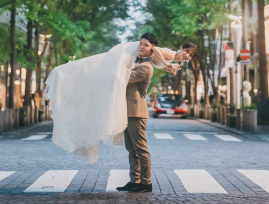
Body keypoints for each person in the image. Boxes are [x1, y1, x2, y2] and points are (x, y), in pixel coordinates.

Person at [46, 35, 195, 168]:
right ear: (181, 48)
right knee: (103, 70)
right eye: (186, 52)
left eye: (189, 55)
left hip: (135, 98)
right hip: (124, 54)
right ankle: (137, 181)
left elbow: (154, 60)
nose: (186, 56)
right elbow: (155, 52)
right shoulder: (170, 54)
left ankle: (142, 181)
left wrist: (167, 68)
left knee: (100, 68)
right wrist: (168, 65)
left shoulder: (158, 62)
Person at [117, 33, 157, 193]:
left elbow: (123, 77)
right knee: (131, 148)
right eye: (141, 43)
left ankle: (146, 182)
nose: (141, 46)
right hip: (127, 111)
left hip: (137, 112)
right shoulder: (136, 63)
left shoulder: (146, 68)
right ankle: (135, 180)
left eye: (146, 45)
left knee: (140, 148)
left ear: (152, 50)